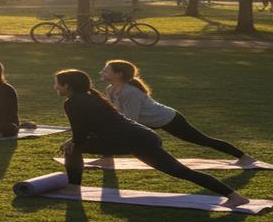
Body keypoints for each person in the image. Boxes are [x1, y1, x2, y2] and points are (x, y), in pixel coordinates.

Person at [54, 69, 249, 207]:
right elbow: (87, 129)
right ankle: (234, 196)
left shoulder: (73, 103)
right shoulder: (91, 97)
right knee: (74, 146)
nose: (55, 87)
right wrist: (75, 140)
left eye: (57, 83)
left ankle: (73, 187)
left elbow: (79, 132)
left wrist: (73, 141)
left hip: (134, 140)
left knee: (180, 171)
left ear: (67, 86)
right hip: (138, 137)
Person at [100, 60, 256, 165]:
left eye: (106, 71)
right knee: (110, 130)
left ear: (119, 74)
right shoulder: (111, 89)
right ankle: (107, 158)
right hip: (148, 121)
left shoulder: (130, 92)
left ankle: (244, 157)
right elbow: (116, 110)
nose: (102, 72)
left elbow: (131, 118)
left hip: (167, 118)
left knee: (201, 140)